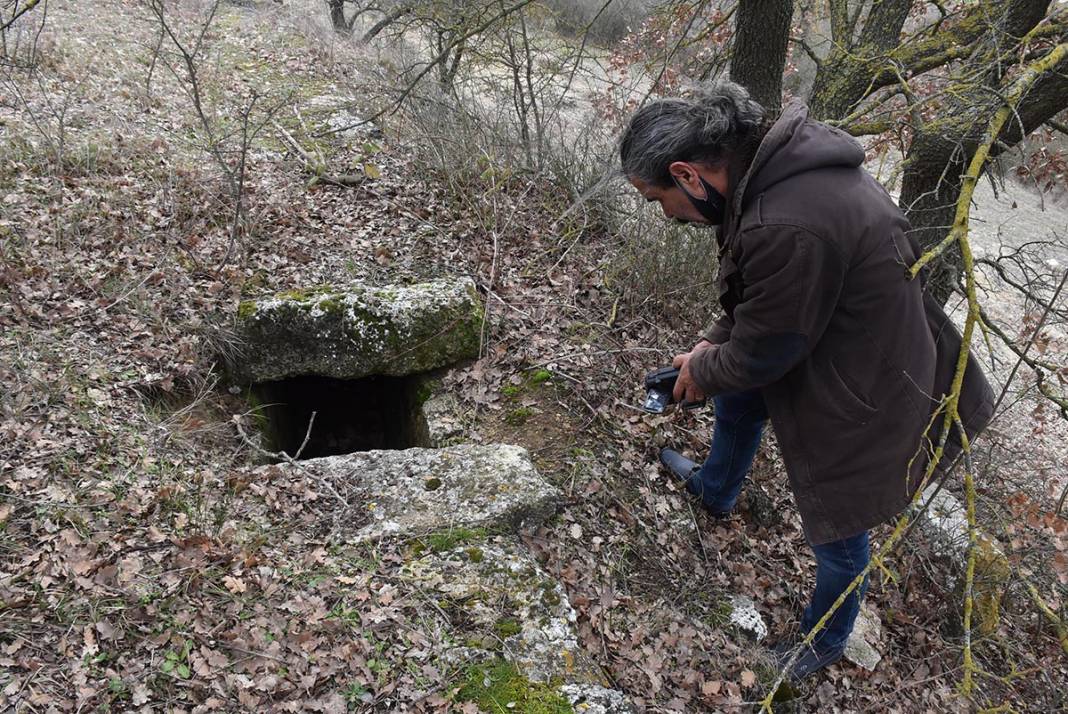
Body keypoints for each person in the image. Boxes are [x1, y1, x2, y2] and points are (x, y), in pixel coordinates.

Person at [619, 81, 995, 679]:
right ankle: (716, 489)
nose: (665, 214)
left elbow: (766, 350)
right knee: (739, 399)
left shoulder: (784, 218)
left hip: (865, 380)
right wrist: (713, 344)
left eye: (656, 198)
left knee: (839, 519)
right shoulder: (774, 176)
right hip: (837, 339)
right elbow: (769, 299)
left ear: (687, 175)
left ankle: (825, 640)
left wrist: (704, 370)